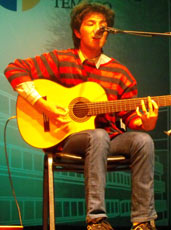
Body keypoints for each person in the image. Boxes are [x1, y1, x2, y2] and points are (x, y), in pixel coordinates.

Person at [4, 2, 159, 230]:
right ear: (78, 31)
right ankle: (96, 219)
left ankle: (143, 221)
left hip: (110, 139)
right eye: (91, 24)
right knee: (98, 135)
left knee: (143, 140)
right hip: (69, 139)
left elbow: (131, 119)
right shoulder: (61, 59)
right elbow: (14, 69)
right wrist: (43, 106)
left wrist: (147, 121)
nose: (98, 29)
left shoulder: (120, 72)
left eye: (103, 25)